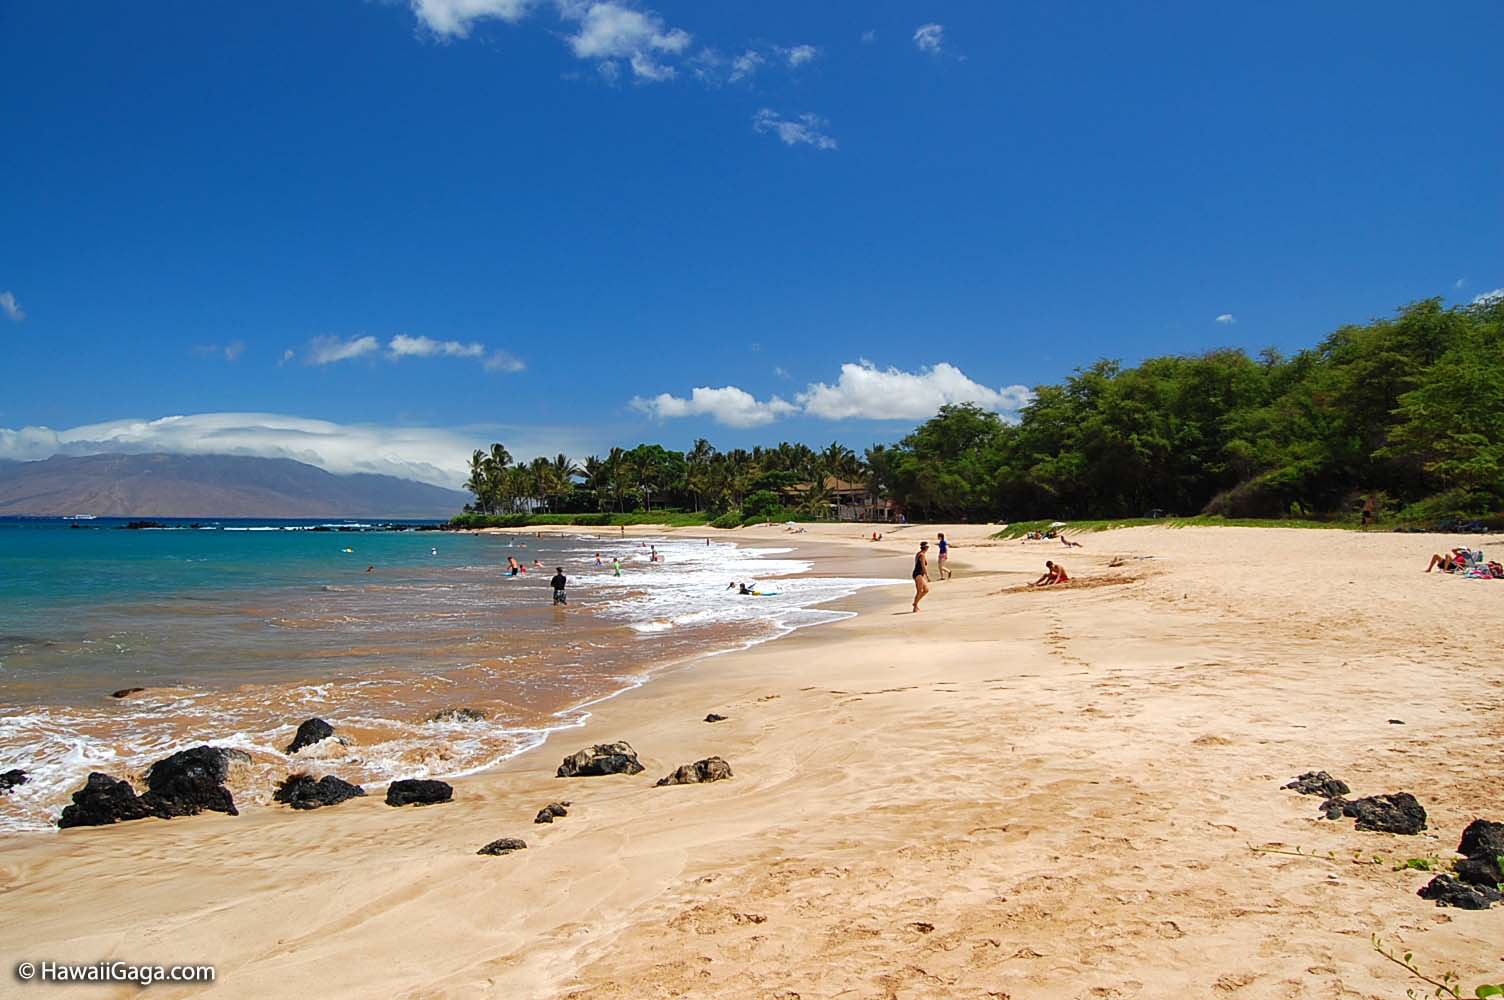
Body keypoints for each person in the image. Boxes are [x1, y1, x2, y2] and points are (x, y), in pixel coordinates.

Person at [912, 541, 930, 612]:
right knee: (919, 591)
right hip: (918, 574)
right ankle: (915, 607)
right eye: (928, 547)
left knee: (926, 590)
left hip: (918, 574)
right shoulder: (922, 555)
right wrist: (927, 575)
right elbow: (923, 566)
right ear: (926, 548)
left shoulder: (919, 553)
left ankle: (915, 603)